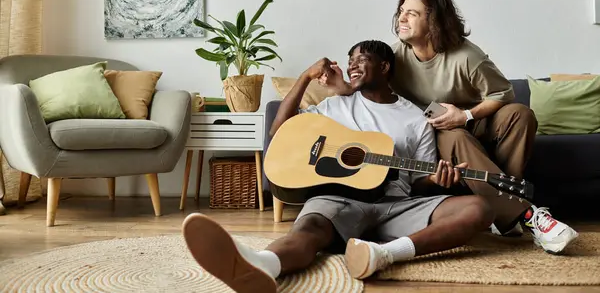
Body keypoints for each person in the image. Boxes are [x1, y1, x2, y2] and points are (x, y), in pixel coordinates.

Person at [182, 40, 494, 293]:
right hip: (339, 198)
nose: (351, 66)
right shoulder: (334, 106)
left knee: (477, 208)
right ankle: (263, 265)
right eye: (349, 61)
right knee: (308, 229)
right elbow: (280, 131)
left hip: (397, 203)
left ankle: (384, 253)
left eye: (360, 60)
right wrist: (305, 77)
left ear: (384, 67)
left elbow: (418, 181)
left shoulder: (416, 117)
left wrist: (440, 181)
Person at [321, 0, 578, 254]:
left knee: (521, 114)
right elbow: (368, 79)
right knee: (453, 135)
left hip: (473, 119)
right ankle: (526, 215)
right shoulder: (395, 58)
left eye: (412, 13)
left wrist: (466, 115)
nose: (402, 19)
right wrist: (342, 87)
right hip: (438, 129)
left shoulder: (467, 55)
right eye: (401, 12)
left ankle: (506, 211)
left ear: (433, 21)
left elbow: (504, 93)